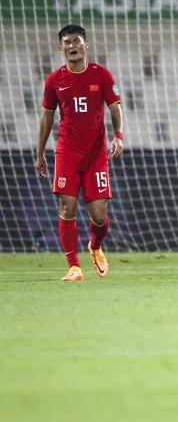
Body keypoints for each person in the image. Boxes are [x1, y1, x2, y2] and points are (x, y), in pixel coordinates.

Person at [35, 25, 124, 281]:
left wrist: (118, 135)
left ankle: (95, 246)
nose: (72, 46)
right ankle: (74, 266)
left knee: (99, 215)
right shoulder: (55, 80)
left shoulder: (101, 74)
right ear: (60, 48)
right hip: (67, 153)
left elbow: (115, 107)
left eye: (76, 41)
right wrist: (40, 153)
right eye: (67, 42)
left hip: (96, 154)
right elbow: (47, 117)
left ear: (86, 45)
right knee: (67, 206)